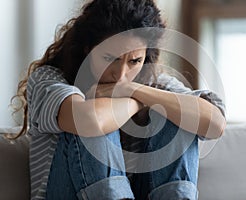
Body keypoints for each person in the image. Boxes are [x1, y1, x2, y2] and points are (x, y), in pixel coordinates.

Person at [12, 0, 226, 199]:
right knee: (96, 116)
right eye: (109, 58)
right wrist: (138, 101)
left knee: (178, 114)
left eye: (135, 61)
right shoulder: (48, 79)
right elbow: (89, 120)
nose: (121, 74)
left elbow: (214, 124)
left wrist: (133, 90)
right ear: (88, 49)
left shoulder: (150, 82)